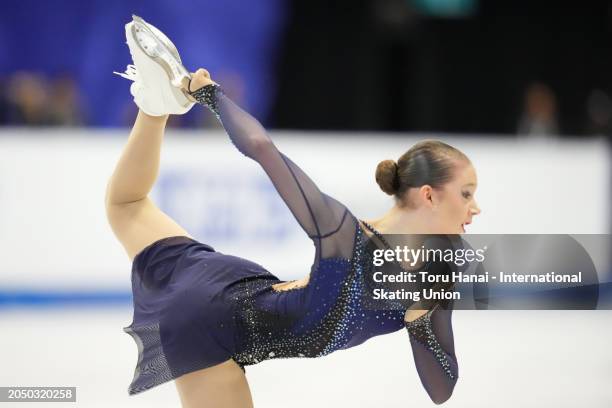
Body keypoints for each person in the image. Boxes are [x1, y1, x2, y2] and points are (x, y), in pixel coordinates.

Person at [107, 15, 481, 408]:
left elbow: (442, 389)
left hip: (228, 287)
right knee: (126, 207)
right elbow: (263, 150)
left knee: (125, 205)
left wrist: (420, 318)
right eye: (467, 193)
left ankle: (153, 107)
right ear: (428, 196)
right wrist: (212, 95)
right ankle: (157, 104)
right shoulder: (344, 235)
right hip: (211, 324)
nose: (475, 208)